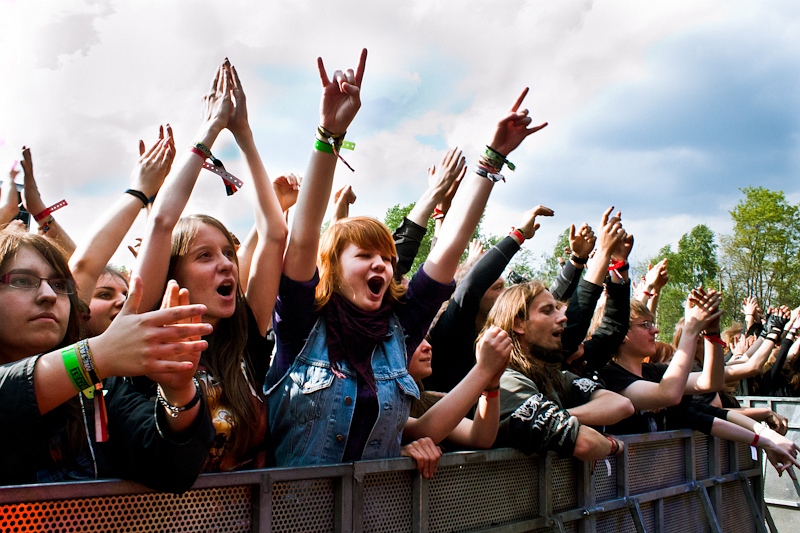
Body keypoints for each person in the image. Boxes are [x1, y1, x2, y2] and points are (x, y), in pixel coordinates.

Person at [266, 48, 548, 467]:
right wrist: (328, 134)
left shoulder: (398, 332)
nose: (381, 264)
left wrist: (492, 159)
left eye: (386, 256)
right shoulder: (301, 325)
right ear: (332, 268)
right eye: (365, 255)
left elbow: (449, 246)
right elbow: (304, 238)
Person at [134, 59, 287, 472]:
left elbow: (275, 233)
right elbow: (163, 221)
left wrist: (244, 135)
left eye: (228, 254)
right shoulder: (146, 335)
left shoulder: (245, 337)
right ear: (173, 273)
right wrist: (210, 129)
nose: (226, 265)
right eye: (204, 256)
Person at [0, 232, 214, 491]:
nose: (49, 295)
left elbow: (172, 470)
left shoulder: (101, 389)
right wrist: (95, 357)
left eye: (59, 285)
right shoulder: (98, 365)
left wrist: (179, 390)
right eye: (23, 280)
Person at [483, 281, 634, 461]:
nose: (563, 317)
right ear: (519, 324)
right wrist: (613, 445)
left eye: (557, 308)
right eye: (547, 311)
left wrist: (560, 417)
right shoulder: (505, 381)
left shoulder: (555, 376)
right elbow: (586, 443)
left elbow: (622, 405)